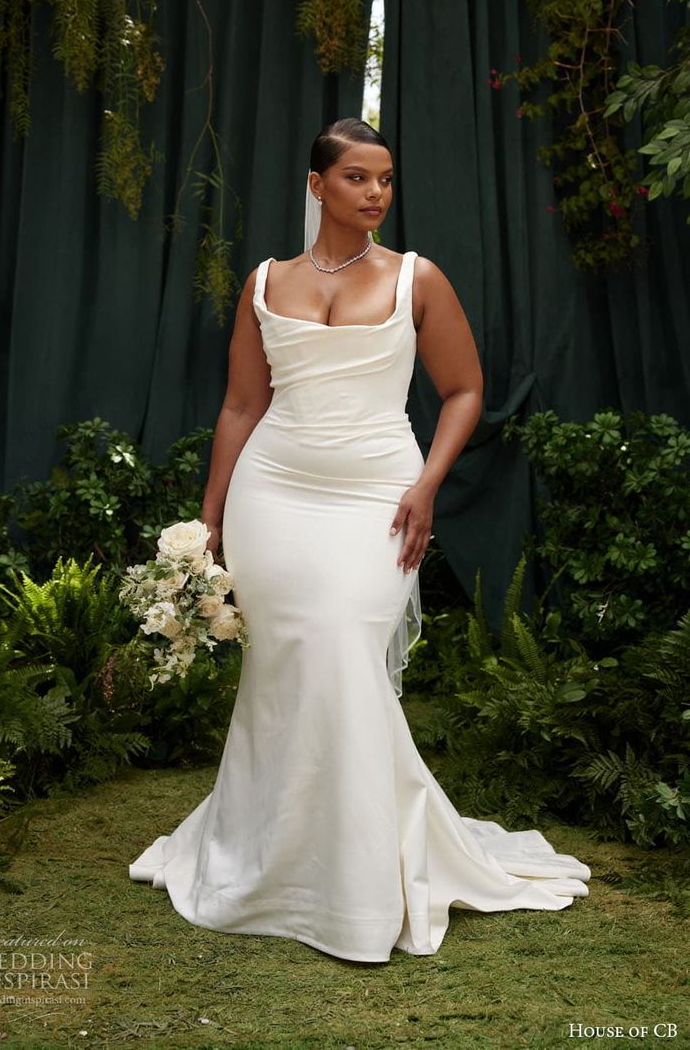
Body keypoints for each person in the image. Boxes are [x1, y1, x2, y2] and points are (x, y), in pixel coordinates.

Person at [128, 117, 591, 963]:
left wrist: (425, 486)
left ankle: (357, 875)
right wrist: (213, 515)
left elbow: (464, 390)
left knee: (345, 648)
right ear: (317, 186)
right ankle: (268, 857)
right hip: (275, 492)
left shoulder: (418, 277)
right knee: (283, 668)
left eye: (385, 179)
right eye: (357, 178)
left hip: (378, 493)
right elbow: (240, 404)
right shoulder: (265, 281)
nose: (376, 192)